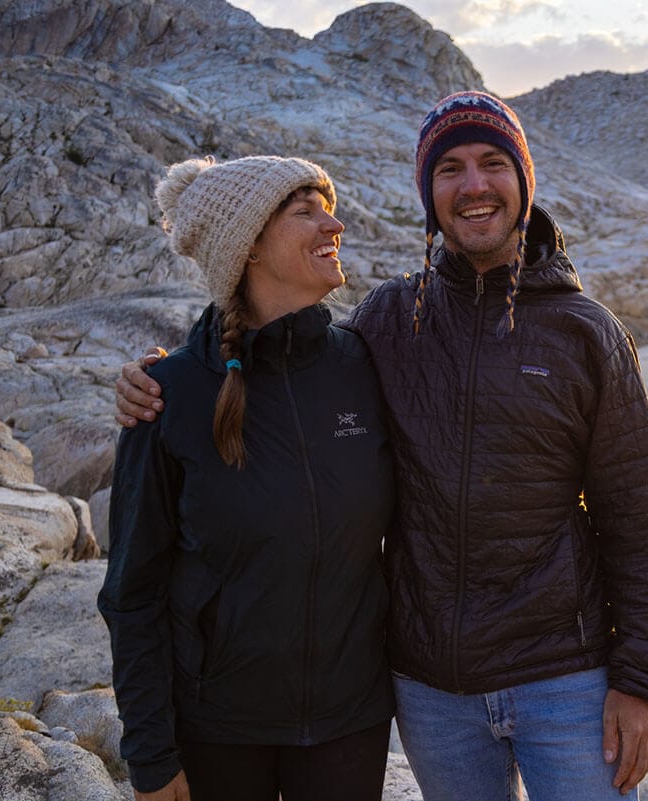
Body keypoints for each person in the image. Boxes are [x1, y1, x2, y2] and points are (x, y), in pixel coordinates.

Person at [116, 92, 648, 801]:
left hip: (563, 679)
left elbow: (641, 516)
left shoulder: (585, 333)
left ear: (523, 180)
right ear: (429, 196)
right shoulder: (386, 324)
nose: (473, 185)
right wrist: (167, 373)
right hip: (432, 694)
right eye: (449, 169)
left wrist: (642, 677)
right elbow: (271, 351)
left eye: (492, 163)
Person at [100, 156, 396, 801]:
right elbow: (133, 590)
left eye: (328, 207)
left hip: (352, 721)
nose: (335, 224)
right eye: (306, 211)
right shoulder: (168, 393)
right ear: (249, 247)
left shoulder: (363, 364)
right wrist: (150, 754)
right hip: (218, 730)